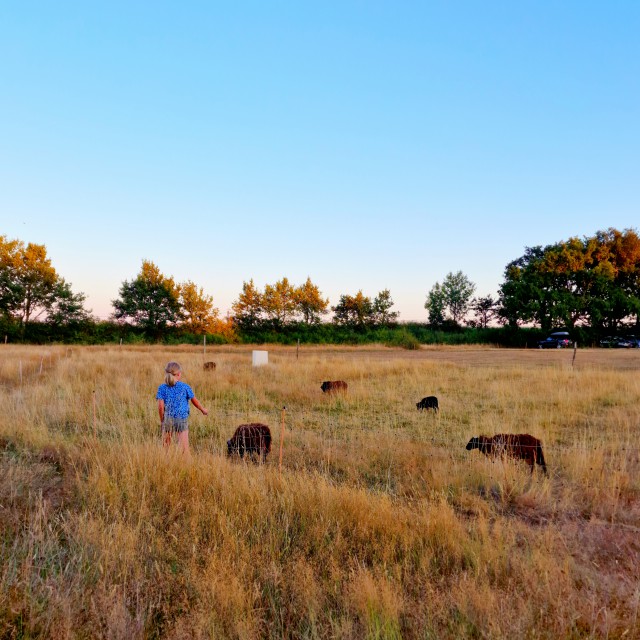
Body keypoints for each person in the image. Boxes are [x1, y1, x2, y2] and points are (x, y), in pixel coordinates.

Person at [156, 361, 208, 453]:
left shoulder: (162, 388)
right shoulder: (185, 387)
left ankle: (166, 464)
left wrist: (162, 420)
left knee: (165, 447)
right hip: (181, 419)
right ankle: (187, 465)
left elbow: (160, 407)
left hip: (168, 418)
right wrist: (203, 409)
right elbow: (194, 401)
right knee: (184, 449)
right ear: (179, 374)